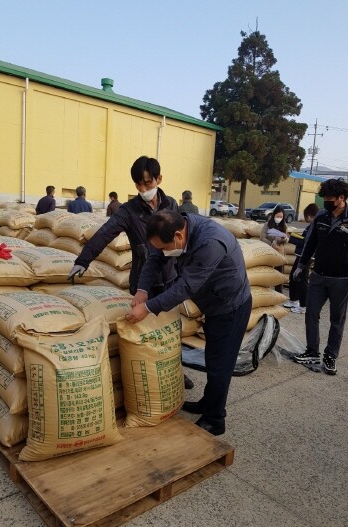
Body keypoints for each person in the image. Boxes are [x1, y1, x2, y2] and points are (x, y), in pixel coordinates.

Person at [67, 156, 194, 390]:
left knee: (171, 328)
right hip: (143, 280)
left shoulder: (171, 204)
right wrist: (83, 260)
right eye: (138, 184)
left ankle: (176, 370)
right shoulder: (129, 211)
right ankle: (146, 376)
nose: (142, 188)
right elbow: (105, 233)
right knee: (144, 329)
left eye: (147, 183)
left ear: (158, 179)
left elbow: (182, 237)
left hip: (170, 278)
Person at [125, 210, 252, 436]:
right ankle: (208, 403)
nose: (163, 252)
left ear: (178, 236)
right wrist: (143, 290)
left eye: (165, 247)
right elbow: (155, 258)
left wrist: (148, 308)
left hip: (230, 305)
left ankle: (215, 419)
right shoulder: (174, 232)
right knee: (213, 357)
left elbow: (185, 287)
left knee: (220, 364)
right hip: (212, 301)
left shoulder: (210, 243)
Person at [293, 179, 348, 375]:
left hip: (342, 279)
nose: (326, 201)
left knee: (337, 319)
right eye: (324, 197)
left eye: (330, 198)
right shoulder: (321, 216)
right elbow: (311, 243)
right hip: (319, 276)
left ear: (341, 198)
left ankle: (330, 356)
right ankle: (312, 351)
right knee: (311, 313)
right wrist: (301, 265)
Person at [284, 203, 319, 314]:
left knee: (303, 280)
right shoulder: (312, 226)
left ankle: (303, 305)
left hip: (307, 257)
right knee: (293, 276)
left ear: (309, 215)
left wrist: (290, 239)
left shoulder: (315, 226)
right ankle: (294, 300)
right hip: (301, 255)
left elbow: (305, 242)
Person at [260, 205, 288, 293]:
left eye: (281, 217)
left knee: (279, 277)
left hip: (279, 254)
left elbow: (286, 239)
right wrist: (271, 244)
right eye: (277, 216)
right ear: (274, 215)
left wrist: (284, 239)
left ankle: (278, 295)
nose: (279, 218)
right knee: (267, 275)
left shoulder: (284, 226)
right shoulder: (267, 225)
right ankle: (264, 293)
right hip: (269, 253)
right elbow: (262, 237)